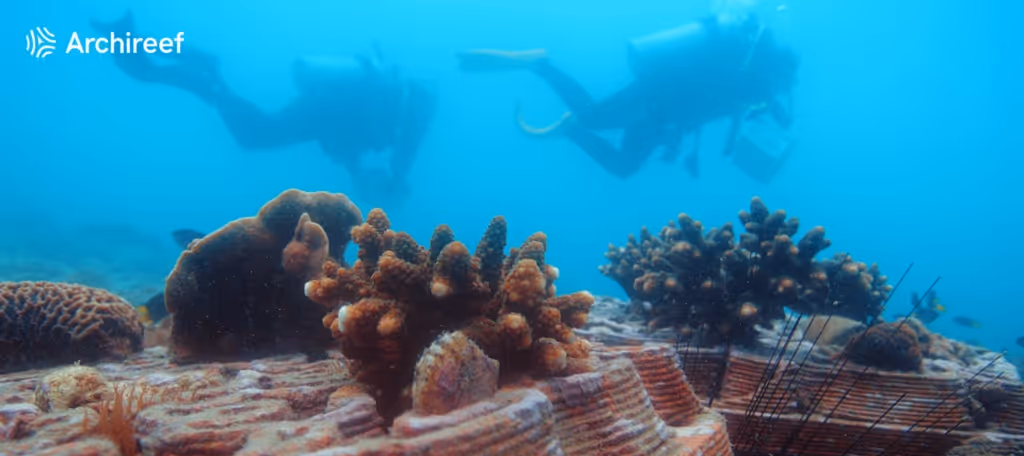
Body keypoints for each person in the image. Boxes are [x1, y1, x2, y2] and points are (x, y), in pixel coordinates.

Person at [90, 12, 437, 198]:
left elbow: (355, 138)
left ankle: (192, 67)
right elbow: (397, 155)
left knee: (253, 133)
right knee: (254, 136)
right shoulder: (407, 130)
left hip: (326, 109)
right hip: (325, 110)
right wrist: (393, 181)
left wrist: (359, 171)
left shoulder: (395, 111)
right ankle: (206, 72)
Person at [456, 13, 798, 180]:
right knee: (593, 116)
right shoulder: (751, 82)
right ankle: (541, 64)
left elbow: (729, 114)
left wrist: (728, 143)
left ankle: (571, 129)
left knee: (623, 167)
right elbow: (723, 102)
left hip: (662, 118)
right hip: (655, 98)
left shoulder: (748, 80)